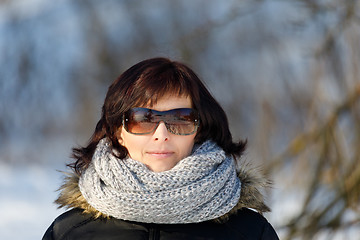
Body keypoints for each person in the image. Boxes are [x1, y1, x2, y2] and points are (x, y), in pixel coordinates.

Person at [43, 57, 279, 239]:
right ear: (118, 131)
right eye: (143, 119)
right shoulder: (70, 232)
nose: (162, 135)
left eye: (180, 119)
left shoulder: (249, 232)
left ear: (199, 131)